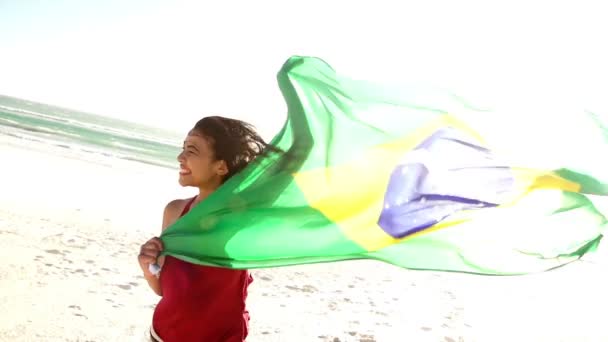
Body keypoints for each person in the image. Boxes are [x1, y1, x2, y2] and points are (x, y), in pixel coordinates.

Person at [138, 116, 275, 342]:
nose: (180, 157)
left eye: (191, 150)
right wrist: (147, 266)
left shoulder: (240, 221)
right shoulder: (175, 212)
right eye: (183, 148)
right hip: (161, 335)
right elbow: (163, 288)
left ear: (221, 166)